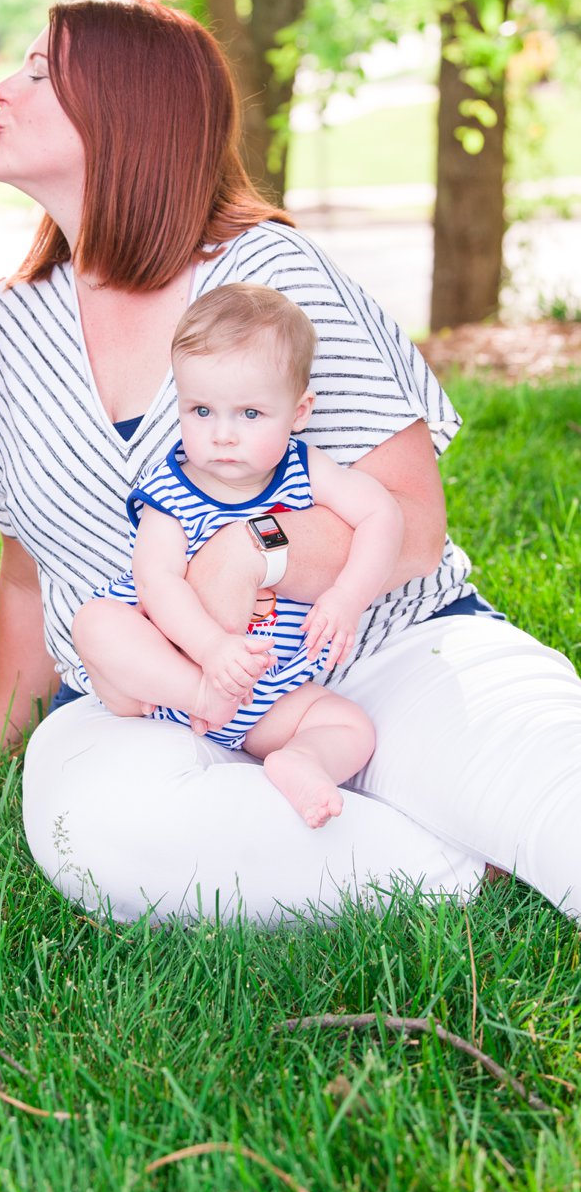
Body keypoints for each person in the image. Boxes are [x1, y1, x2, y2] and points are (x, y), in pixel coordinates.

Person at [0, 0, 581, 926]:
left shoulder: (267, 275)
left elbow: (409, 521)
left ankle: (448, 805)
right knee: (99, 833)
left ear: (124, 109)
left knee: (554, 787)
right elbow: (29, 569)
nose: (1, 88)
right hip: (161, 706)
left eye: (38, 72)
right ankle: (461, 868)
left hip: (378, 650)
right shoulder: (4, 330)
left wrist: (254, 549)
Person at [71, 283, 404, 828]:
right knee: (97, 623)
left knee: (350, 727)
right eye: (201, 410)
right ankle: (200, 698)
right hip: (171, 678)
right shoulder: (171, 492)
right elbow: (156, 581)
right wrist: (210, 655)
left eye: (250, 413)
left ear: (299, 412)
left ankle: (302, 761)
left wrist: (347, 596)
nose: (222, 435)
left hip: (266, 694)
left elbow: (381, 514)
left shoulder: (304, 469)